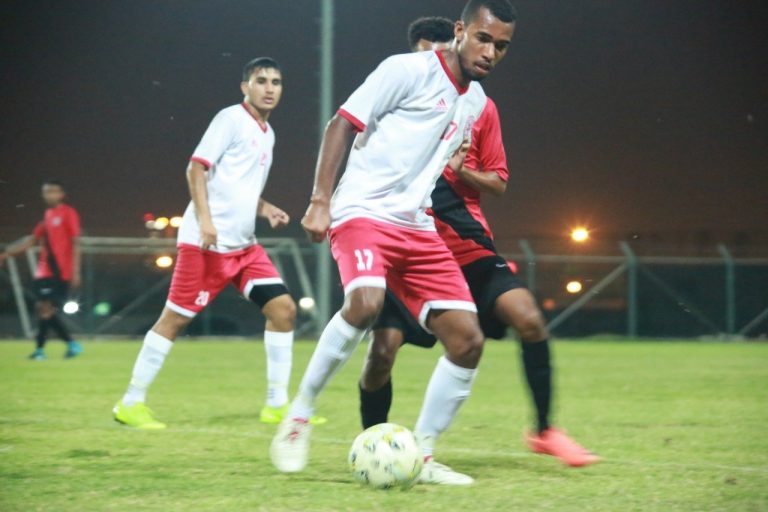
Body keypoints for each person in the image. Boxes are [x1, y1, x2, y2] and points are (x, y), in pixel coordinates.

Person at [271, 0, 516, 485]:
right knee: (365, 303)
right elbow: (341, 123)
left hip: (417, 226)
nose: (490, 52)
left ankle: (422, 457)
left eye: (502, 46)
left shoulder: (476, 102)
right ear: (461, 30)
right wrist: (320, 200)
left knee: (467, 341)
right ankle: (299, 416)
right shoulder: (406, 70)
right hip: (362, 210)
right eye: (483, 39)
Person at [359, 16, 599, 468]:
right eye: (424, 55)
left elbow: (499, 182)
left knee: (529, 318)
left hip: (466, 245)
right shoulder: (397, 103)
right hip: (404, 246)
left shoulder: (479, 107)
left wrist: (461, 168)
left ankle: (544, 431)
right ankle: (374, 449)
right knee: (382, 352)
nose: (433, 64)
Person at [112, 57, 303, 430]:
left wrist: (265, 208)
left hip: (244, 248)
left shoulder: (268, 133)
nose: (269, 88)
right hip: (207, 246)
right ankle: (130, 402)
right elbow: (196, 168)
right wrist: (205, 221)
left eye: (276, 82)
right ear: (245, 87)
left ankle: (277, 405)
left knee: (283, 311)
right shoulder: (230, 119)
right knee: (174, 320)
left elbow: (237, 186)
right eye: (261, 81)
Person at [0, 180, 83, 360]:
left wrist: (76, 271)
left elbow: (76, 241)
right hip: (44, 271)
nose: (49, 195)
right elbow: (32, 240)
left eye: (53, 191)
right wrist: (5, 255)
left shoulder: (68, 213)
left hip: (60, 271)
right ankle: (70, 344)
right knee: (44, 309)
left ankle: (41, 350)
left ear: (61, 194)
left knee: (45, 309)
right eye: (46, 192)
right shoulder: (47, 216)